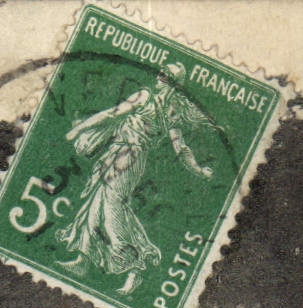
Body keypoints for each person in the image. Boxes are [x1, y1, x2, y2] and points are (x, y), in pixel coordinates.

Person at [56, 62, 215, 295]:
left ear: (174, 82)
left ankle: (134, 267)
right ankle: (83, 259)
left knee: (111, 207)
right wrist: (81, 128)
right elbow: (111, 114)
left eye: (166, 74)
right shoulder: (153, 101)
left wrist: (199, 170)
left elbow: (180, 148)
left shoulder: (162, 107)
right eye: (161, 71)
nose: (159, 76)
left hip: (130, 158)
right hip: (117, 153)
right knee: (98, 202)